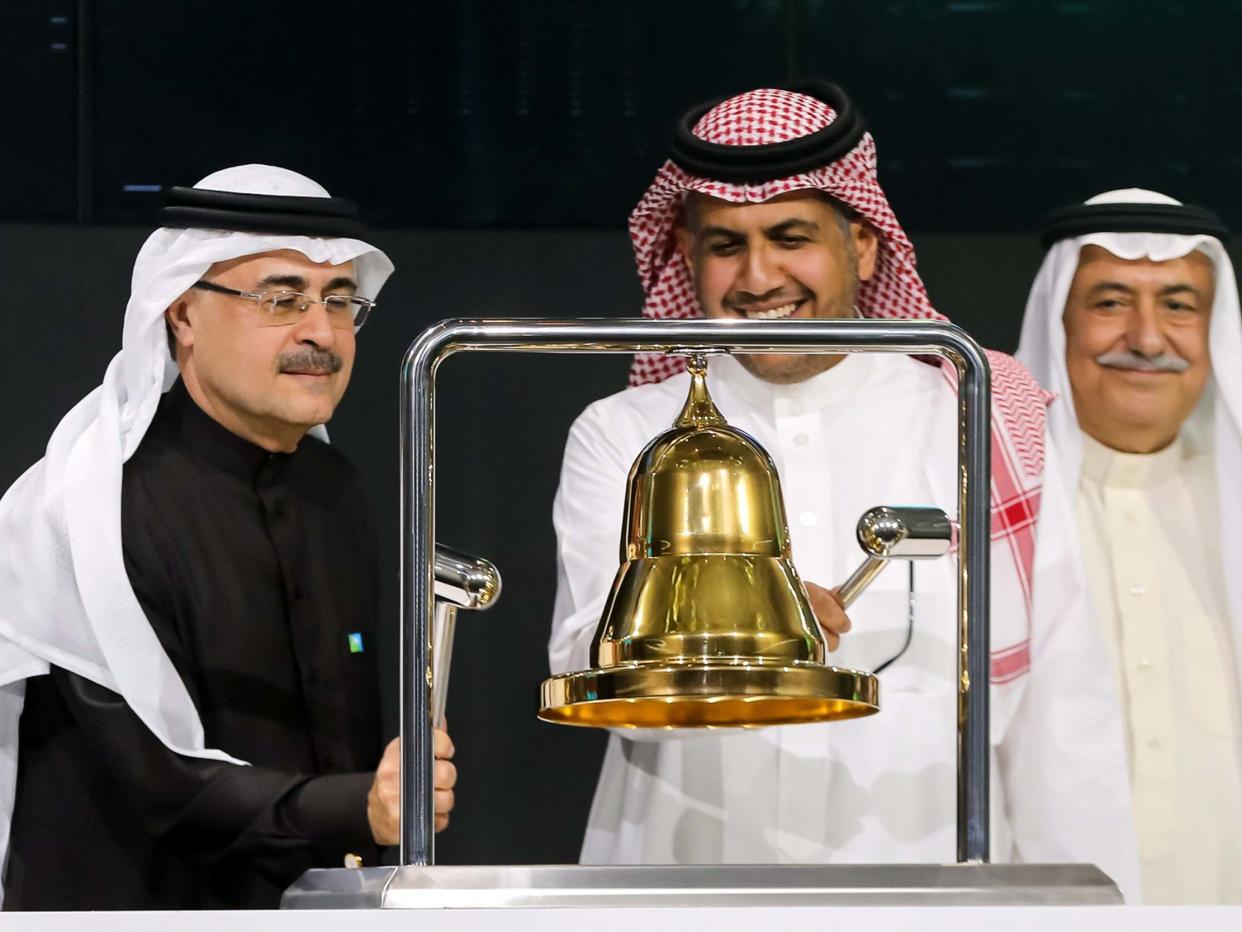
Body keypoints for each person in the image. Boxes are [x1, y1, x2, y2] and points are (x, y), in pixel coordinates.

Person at [548, 82, 1139, 897]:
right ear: (686, 257)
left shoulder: (977, 414)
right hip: (682, 890)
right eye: (725, 246)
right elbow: (583, 662)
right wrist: (722, 629)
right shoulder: (624, 432)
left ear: (863, 244)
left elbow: (1062, 722)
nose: (758, 278)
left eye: (791, 237)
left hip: (930, 897)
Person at [0, 165, 456, 910]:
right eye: (281, 299)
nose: (321, 332)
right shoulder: (81, 510)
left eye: (339, 302)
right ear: (180, 313)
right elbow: (158, 780)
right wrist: (358, 805)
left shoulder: (334, 491)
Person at [1015, 188, 1241, 903]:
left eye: (1179, 305)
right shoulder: (994, 510)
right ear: (1059, 325)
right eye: (1110, 302)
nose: (1148, 339)